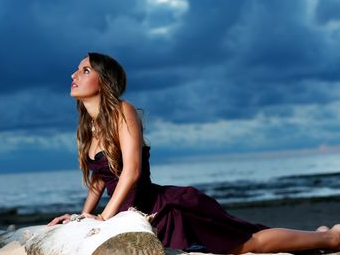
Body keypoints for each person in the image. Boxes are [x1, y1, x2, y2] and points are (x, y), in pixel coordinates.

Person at [48, 52, 340, 254]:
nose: (74, 74)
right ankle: (319, 237)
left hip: (160, 210)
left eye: (85, 70)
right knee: (243, 236)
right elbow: (100, 179)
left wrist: (104, 218)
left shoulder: (123, 112)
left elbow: (132, 171)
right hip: (125, 216)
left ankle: (330, 237)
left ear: (104, 82)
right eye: (77, 68)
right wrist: (83, 218)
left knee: (245, 244)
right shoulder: (89, 127)